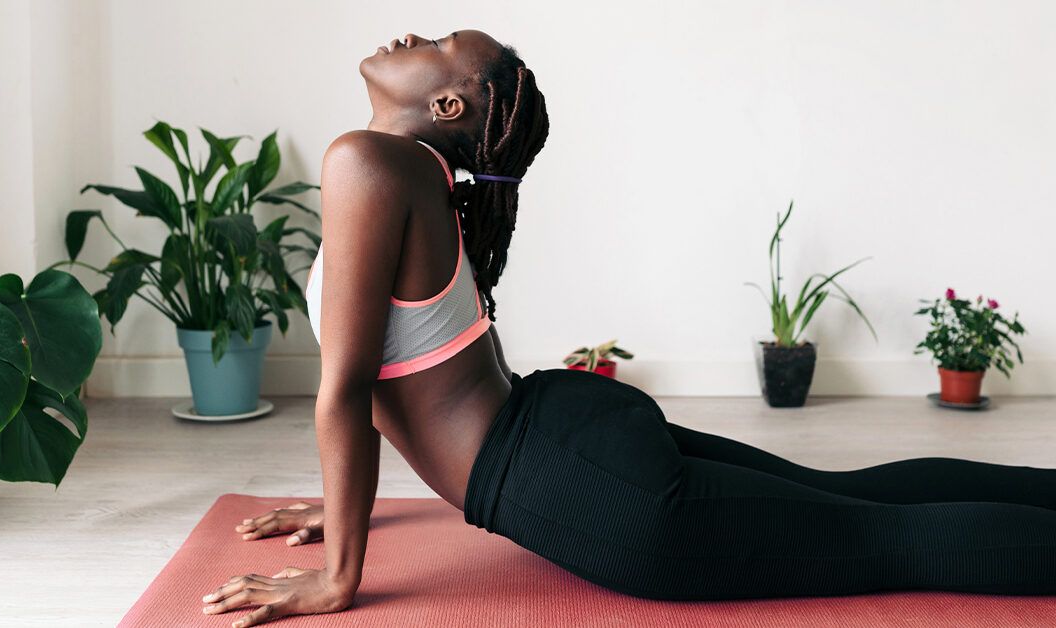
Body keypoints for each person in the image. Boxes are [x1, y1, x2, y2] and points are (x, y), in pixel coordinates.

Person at [201, 29, 1056, 626]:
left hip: (581, 478)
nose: (407, 37)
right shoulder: (410, 173)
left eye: (435, 44)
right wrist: (344, 509)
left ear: (452, 104)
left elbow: (351, 389)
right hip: (567, 440)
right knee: (862, 501)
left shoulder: (367, 162)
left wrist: (335, 578)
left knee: (883, 538)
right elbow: (405, 379)